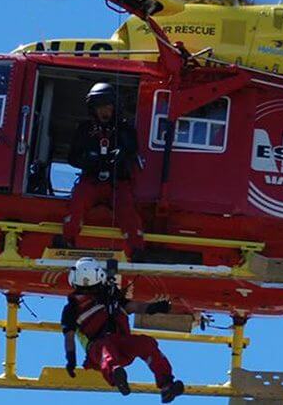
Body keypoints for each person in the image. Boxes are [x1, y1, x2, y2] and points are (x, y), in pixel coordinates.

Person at [62, 258, 185, 403]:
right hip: (97, 349)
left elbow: (133, 306)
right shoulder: (71, 308)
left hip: (121, 343)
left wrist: (155, 307)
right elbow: (69, 336)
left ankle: (166, 384)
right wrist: (71, 359)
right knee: (105, 349)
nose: (88, 291)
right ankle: (116, 374)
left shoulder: (111, 296)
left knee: (147, 344)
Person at [63, 82, 144, 256]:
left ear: (115, 107)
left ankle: (136, 248)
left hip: (118, 183)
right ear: (93, 109)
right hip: (91, 181)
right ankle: (68, 239)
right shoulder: (85, 130)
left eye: (107, 106)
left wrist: (122, 153)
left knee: (127, 209)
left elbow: (133, 149)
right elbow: (72, 157)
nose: (104, 111)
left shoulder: (126, 129)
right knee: (78, 199)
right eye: (99, 107)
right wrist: (89, 160)